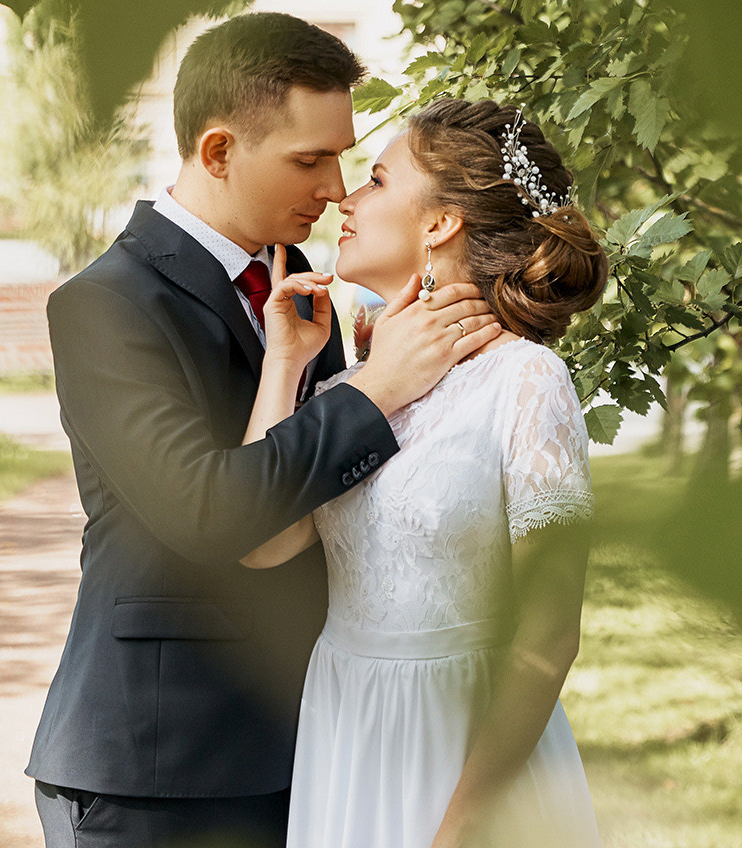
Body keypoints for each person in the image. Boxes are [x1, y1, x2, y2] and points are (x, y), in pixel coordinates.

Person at [27, 14, 504, 848]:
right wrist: (382, 386)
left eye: (344, 156)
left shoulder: (309, 290)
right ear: (218, 152)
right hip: (161, 764)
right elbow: (205, 512)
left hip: (318, 752)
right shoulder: (105, 305)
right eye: (309, 159)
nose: (335, 186)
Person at [237, 98, 610, 848]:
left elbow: (550, 632)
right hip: (347, 735)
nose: (346, 197)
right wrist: (285, 364)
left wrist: (465, 824)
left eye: (375, 179)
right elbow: (261, 542)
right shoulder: (350, 393)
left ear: (440, 224)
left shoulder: (527, 381)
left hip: (469, 752)